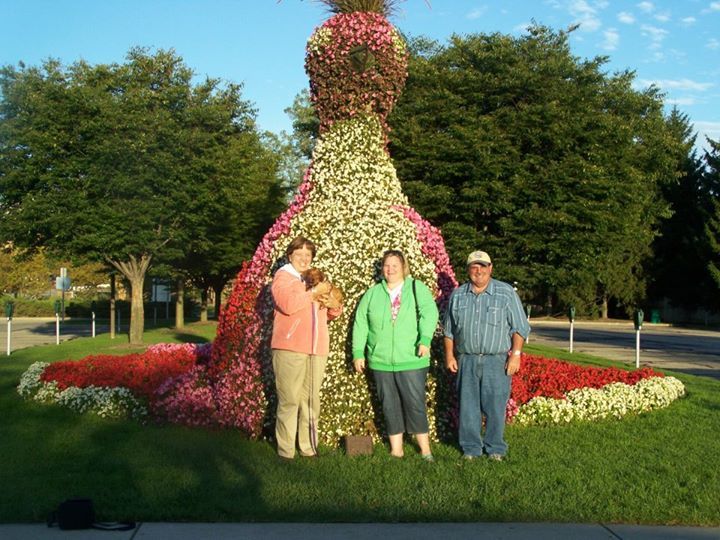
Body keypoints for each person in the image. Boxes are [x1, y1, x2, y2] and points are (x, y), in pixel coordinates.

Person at [443, 250, 530, 461]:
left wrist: (515, 355)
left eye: (483, 266)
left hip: (496, 360)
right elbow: (448, 331)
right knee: (468, 407)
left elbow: (520, 327)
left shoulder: (506, 292)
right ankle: (471, 449)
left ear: (490, 268)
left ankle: (495, 449)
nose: (478, 271)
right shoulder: (458, 295)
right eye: (474, 266)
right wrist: (449, 356)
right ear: (468, 270)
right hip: (467, 359)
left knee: (495, 407)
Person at [352, 249, 439, 460]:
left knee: (414, 403)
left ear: (403, 268)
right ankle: (396, 449)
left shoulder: (417, 288)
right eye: (386, 265)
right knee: (389, 405)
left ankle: (425, 450)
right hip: (381, 361)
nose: (390, 269)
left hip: (411, 359)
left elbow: (430, 313)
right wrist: (358, 352)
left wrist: (425, 340)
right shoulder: (372, 294)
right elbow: (361, 323)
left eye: (395, 266)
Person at [271, 236, 342, 459]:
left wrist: (334, 307)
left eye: (308, 255)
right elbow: (289, 306)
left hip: (316, 348)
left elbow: (330, 312)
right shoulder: (283, 278)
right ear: (290, 256)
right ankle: (285, 451)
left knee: (311, 401)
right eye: (299, 254)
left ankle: (309, 448)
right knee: (290, 399)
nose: (304, 259)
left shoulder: (315, 278)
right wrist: (313, 292)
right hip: (290, 348)